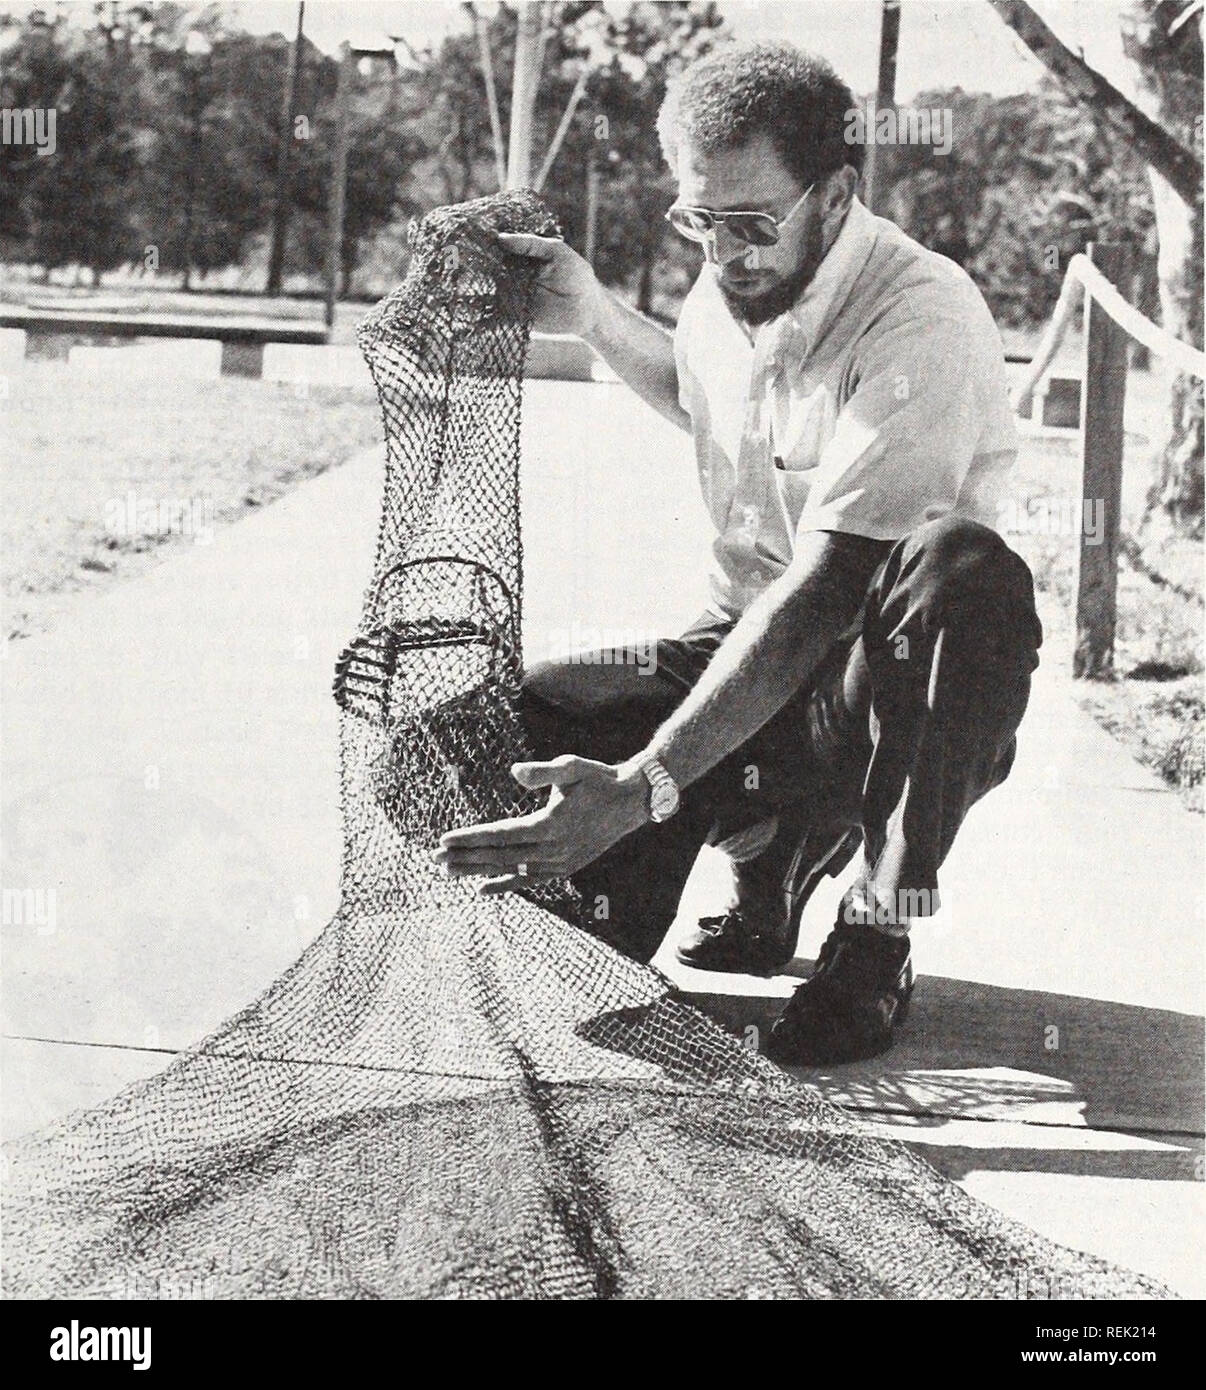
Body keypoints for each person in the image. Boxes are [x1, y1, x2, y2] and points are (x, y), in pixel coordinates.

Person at [435, 41, 1042, 1066]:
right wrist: (588, 312)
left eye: (753, 222)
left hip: (867, 688)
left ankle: (876, 928)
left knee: (961, 576)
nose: (724, 254)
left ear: (838, 192)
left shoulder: (917, 315)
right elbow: (705, 402)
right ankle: (751, 858)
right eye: (698, 221)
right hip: (741, 642)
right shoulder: (733, 292)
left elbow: (827, 589)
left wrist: (643, 787)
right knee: (491, 725)